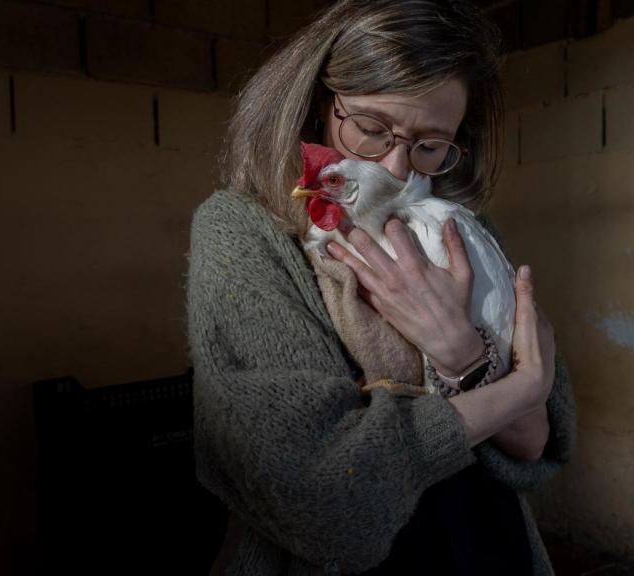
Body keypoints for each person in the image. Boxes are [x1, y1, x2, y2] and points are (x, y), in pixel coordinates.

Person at [186, 1, 576, 574]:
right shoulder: (242, 231)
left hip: (490, 546)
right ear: (321, 104)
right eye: (371, 128)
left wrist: (462, 353)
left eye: (429, 143)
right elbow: (319, 495)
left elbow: (533, 443)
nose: (396, 169)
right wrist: (517, 388)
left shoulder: (462, 228)